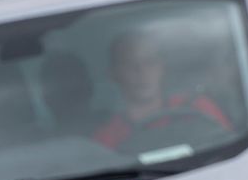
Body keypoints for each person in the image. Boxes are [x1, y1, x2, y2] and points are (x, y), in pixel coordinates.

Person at [95, 29, 231, 152]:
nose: (142, 72)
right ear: (114, 74)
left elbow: (231, 151)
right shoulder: (106, 140)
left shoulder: (198, 107)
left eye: (149, 62)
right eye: (129, 64)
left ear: (162, 67)